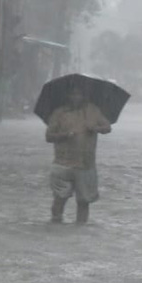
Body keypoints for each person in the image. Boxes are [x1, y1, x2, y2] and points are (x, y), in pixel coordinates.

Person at [45, 85, 112, 224]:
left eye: (79, 94)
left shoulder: (93, 110)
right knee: (59, 198)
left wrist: (95, 128)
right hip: (62, 163)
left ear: (84, 96)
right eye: (73, 94)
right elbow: (49, 136)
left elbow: (108, 127)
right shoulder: (59, 113)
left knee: (84, 201)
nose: (76, 97)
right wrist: (64, 135)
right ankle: (55, 224)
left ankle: (80, 230)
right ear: (67, 96)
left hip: (86, 163)